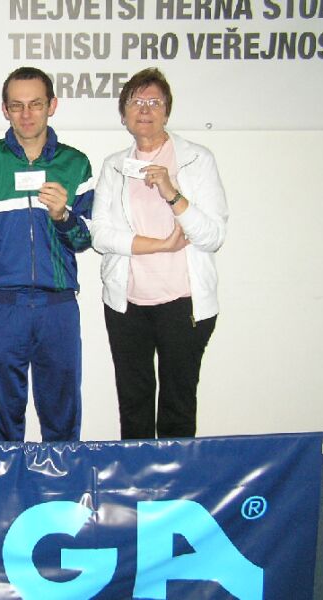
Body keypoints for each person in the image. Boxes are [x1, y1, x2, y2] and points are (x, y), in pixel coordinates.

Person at [0, 67, 94, 442]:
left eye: (35, 104)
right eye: (17, 106)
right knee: (3, 416)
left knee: (62, 414)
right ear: (5, 110)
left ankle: (61, 480)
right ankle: (7, 479)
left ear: (52, 106)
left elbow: (85, 239)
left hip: (57, 307)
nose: (26, 114)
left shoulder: (75, 164)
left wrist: (63, 216)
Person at [91, 67, 228, 440]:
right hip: (127, 305)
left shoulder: (196, 160)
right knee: (133, 404)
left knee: (177, 405)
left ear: (167, 111)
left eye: (154, 102)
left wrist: (172, 191)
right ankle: (136, 475)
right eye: (136, 102)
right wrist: (161, 245)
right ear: (123, 114)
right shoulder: (114, 165)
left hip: (184, 305)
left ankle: (175, 476)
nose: (145, 109)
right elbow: (100, 235)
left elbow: (213, 235)